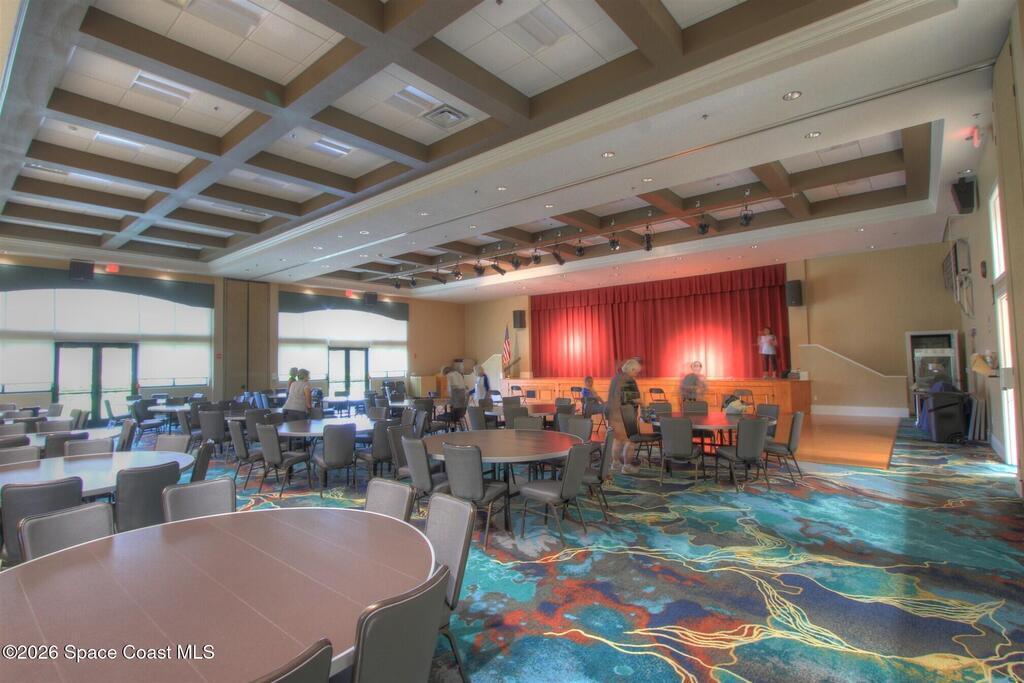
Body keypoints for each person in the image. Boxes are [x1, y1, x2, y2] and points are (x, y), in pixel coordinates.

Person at [607, 358, 643, 474]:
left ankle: (615, 464)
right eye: (636, 372)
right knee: (631, 441)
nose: (636, 375)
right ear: (631, 369)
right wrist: (644, 403)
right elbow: (634, 398)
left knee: (617, 440)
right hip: (626, 416)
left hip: (613, 414)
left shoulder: (615, 378)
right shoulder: (628, 380)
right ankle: (627, 467)